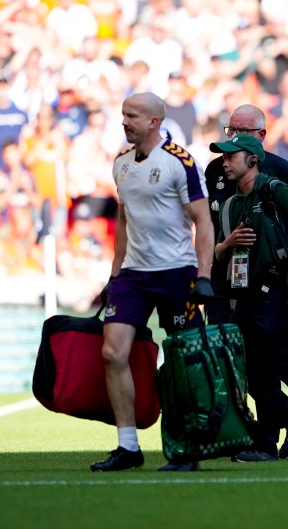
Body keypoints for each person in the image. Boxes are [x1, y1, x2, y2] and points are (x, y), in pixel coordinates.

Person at [204, 104, 288, 458]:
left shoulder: (278, 177)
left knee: (273, 360)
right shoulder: (228, 189)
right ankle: (286, 422)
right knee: (246, 362)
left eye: (240, 136)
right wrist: (219, 253)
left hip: (272, 283)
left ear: (257, 146)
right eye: (229, 132)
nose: (228, 148)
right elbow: (208, 230)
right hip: (231, 283)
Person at [91, 92, 215, 472]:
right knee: (113, 352)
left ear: (154, 122)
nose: (125, 121)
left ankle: (188, 449)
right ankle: (128, 446)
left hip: (177, 272)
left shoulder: (180, 161)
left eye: (133, 116)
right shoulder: (121, 164)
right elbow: (124, 221)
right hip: (133, 274)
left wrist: (204, 275)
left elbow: (203, 222)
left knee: (182, 362)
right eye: (123, 115)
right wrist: (114, 275)